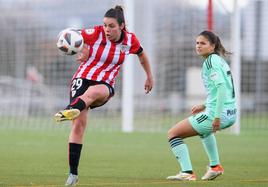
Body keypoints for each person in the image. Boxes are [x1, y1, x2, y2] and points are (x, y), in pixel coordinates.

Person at [54, 5, 153, 186]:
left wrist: (149, 76)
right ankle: (73, 175)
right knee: (78, 127)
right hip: (82, 79)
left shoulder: (130, 40)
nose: (107, 30)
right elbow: (73, 35)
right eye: (105, 25)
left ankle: (71, 109)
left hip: (105, 83)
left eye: (111, 26)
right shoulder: (96, 33)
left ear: (122, 26)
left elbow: (142, 55)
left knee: (94, 92)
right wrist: (82, 48)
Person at [166, 30, 236, 181]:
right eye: (197, 43)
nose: (198, 46)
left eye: (202, 43)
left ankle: (187, 172)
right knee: (205, 132)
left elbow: (222, 88)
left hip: (218, 113)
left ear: (212, 46)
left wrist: (216, 116)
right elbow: (221, 90)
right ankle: (215, 167)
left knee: (173, 134)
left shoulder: (210, 62)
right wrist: (204, 105)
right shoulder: (219, 60)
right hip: (230, 113)